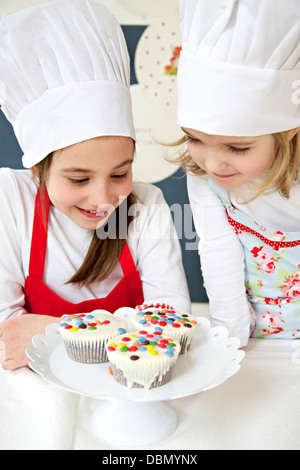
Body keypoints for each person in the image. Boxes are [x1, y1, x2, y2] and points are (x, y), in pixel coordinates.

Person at [0, 0, 190, 370]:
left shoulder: (146, 205)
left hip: (129, 384)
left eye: (119, 174)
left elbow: (172, 327)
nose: (103, 199)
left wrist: (51, 332)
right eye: (78, 178)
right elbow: (7, 340)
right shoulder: (11, 198)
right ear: (38, 169)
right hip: (41, 387)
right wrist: (127, 336)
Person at [176, 0, 300, 346]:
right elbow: (218, 252)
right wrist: (229, 344)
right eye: (194, 138)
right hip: (255, 340)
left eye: (238, 148)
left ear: (289, 129)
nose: (212, 165)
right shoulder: (205, 178)